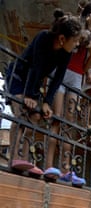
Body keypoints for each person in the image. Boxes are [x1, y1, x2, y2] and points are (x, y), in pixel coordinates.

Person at [5, 9, 82, 176]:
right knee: (22, 112)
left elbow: (57, 79)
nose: (77, 44)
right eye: (75, 40)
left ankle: (23, 159)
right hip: (19, 77)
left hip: (34, 82)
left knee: (36, 116)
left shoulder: (65, 53)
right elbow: (36, 66)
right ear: (62, 38)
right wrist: (29, 96)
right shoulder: (43, 38)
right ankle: (12, 155)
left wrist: (47, 101)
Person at [43, 2, 91, 187]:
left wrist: (88, 63)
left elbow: (89, 60)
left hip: (76, 76)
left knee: (69, 122)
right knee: (56, 118)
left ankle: (65, 170)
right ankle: (48, 166)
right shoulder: (75, 25)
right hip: (61, 72)